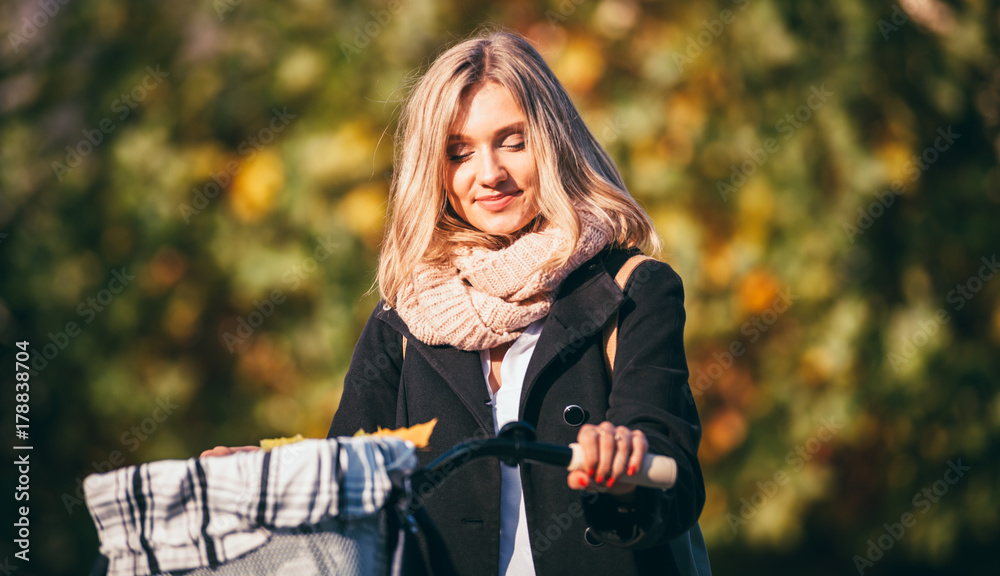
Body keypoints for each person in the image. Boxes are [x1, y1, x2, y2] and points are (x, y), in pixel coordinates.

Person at [324, 30, 707, 576]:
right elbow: (342, 484)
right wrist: (264, 476)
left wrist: (628, 472)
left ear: (552, 144)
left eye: (512, 141)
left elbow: (675, 474)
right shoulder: (403, 316)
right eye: (459, 152)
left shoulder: (634, 290)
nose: (489, 174)